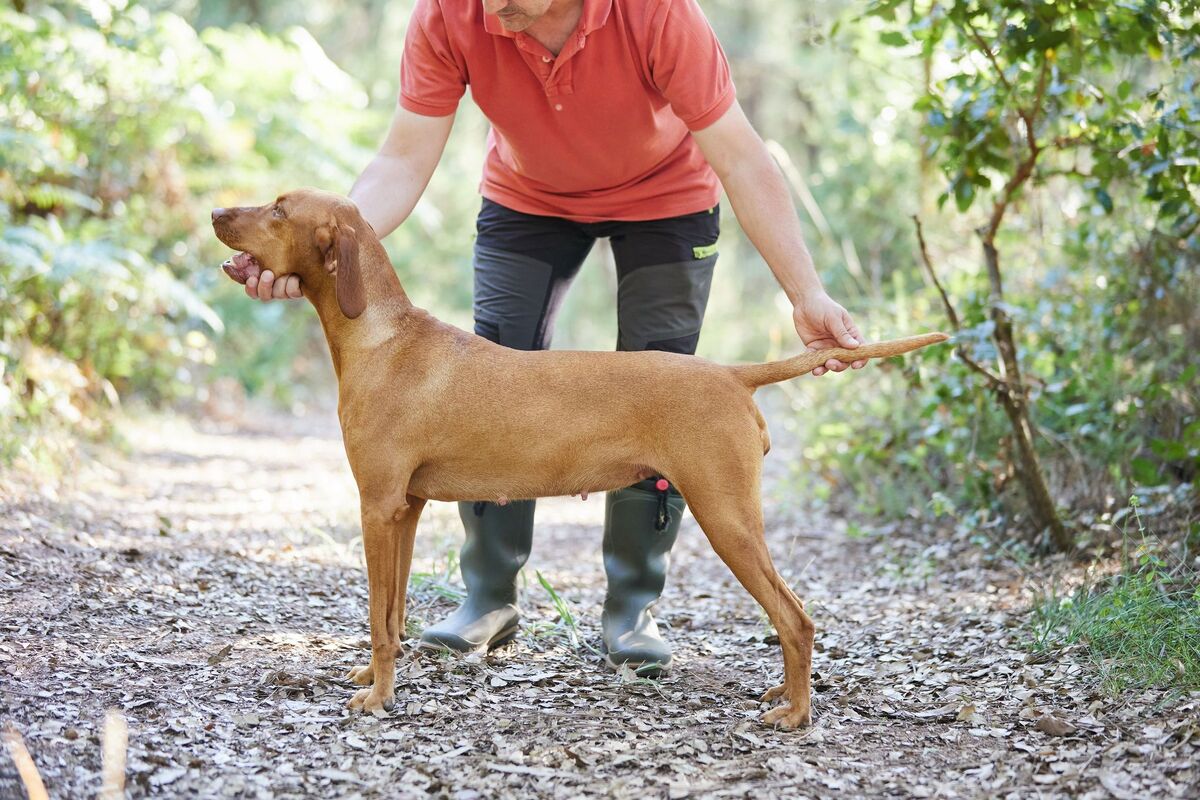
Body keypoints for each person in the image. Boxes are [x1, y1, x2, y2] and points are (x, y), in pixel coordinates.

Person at [242, 0, 866, 674]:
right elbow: (400, 159)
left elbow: (743, 160)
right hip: (528, 200)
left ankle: (632, 608)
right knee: (480, 386)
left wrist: (807, 295)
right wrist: (323, 255)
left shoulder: (659, 15)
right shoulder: (450, 12)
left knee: (666, 395)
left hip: (667, 201)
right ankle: (487, 597)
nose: (494, 9)